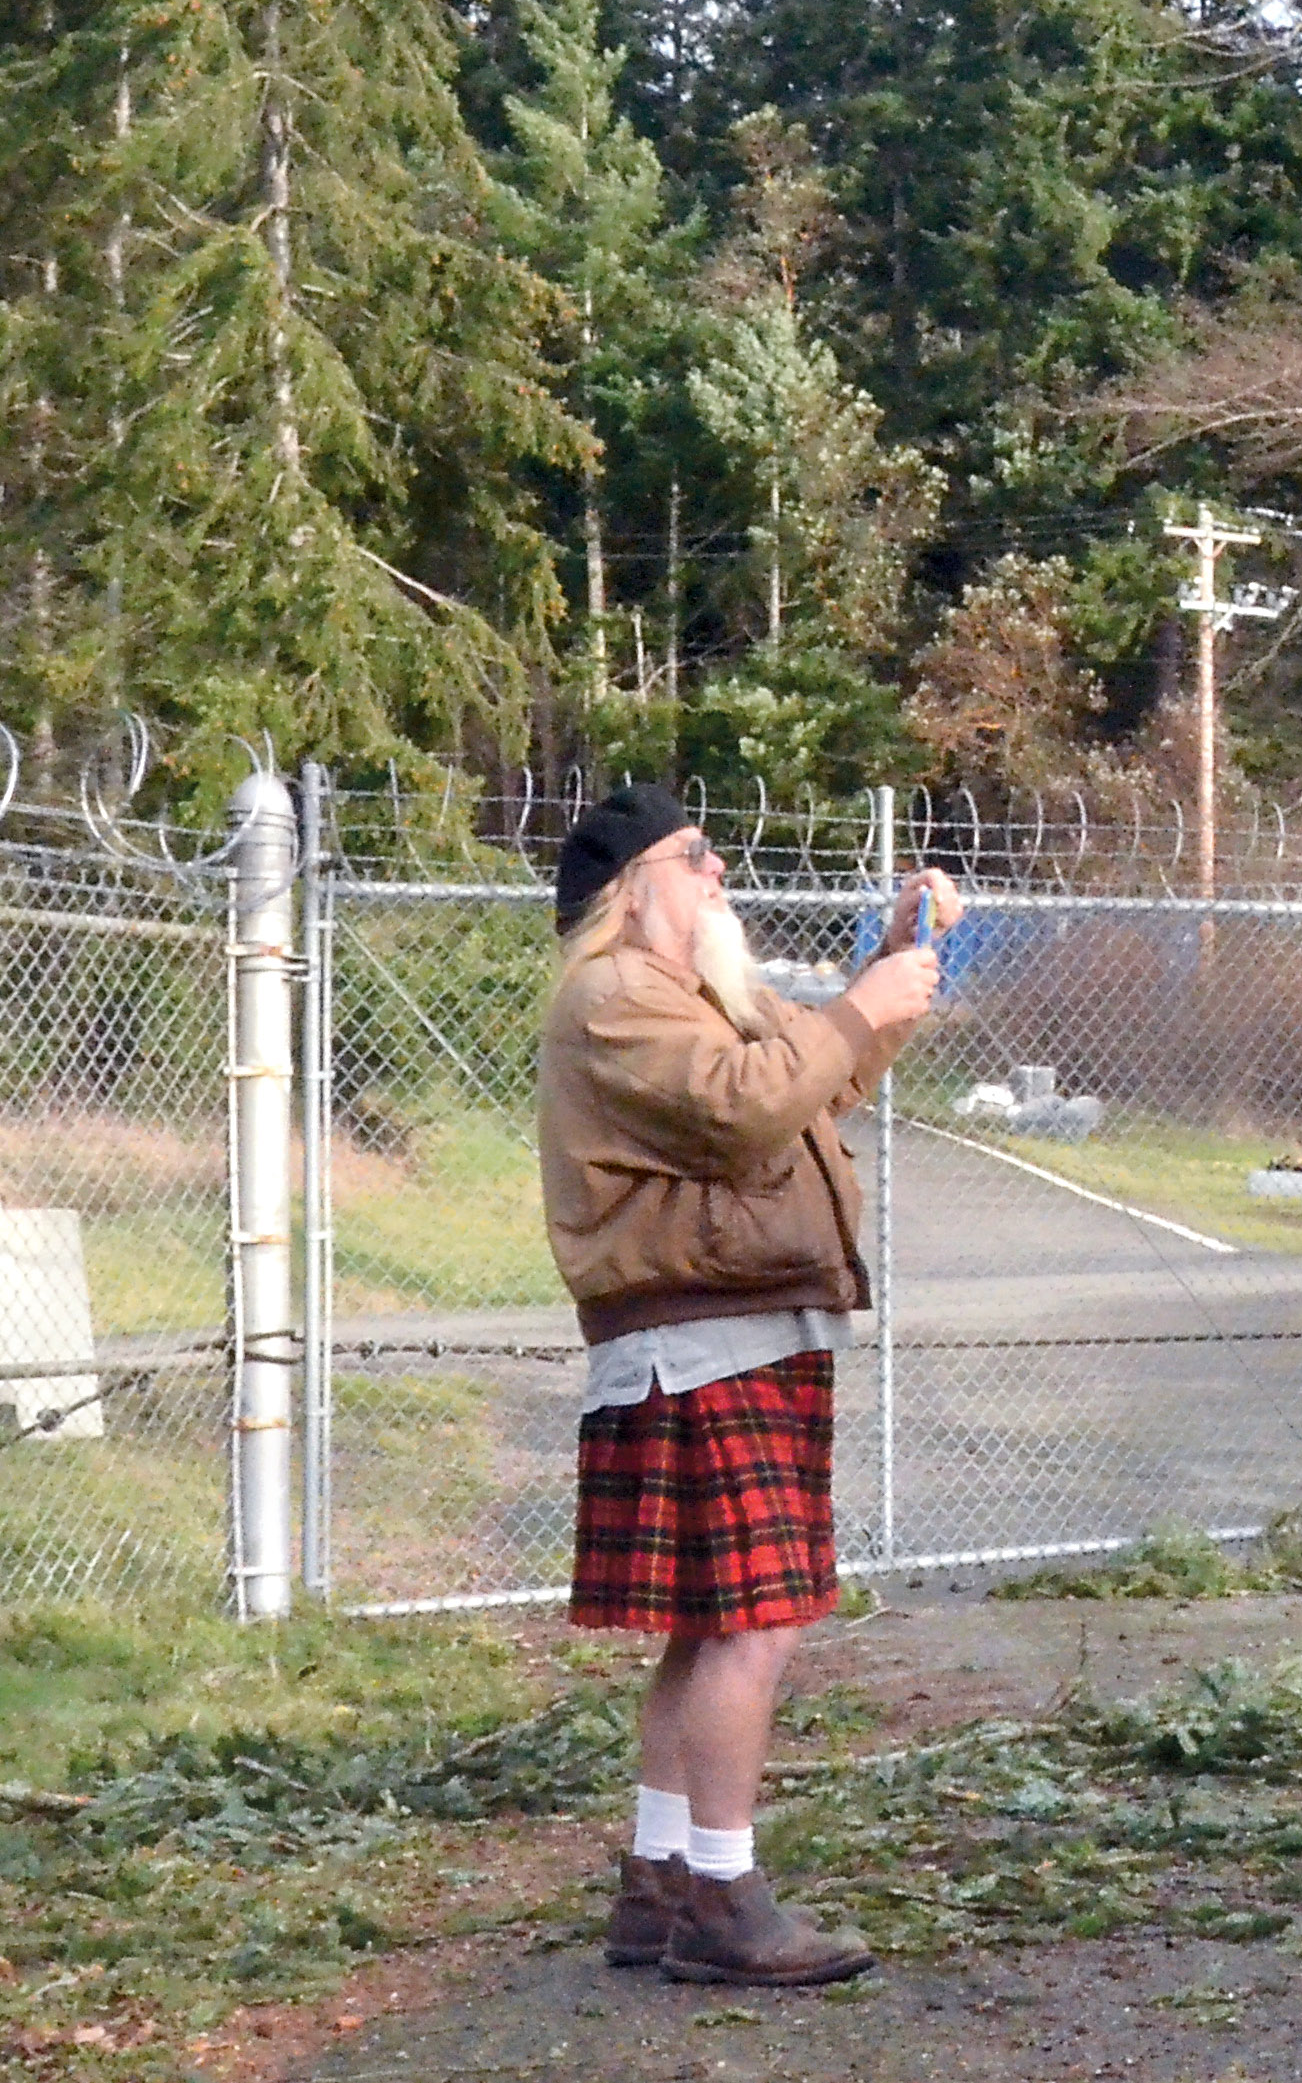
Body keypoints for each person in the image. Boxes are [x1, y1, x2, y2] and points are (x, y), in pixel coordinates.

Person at [535, 781, 959, 1988]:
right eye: (696, 855)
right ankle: (721, 1899)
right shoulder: (615, 992)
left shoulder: (687, 992)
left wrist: (884, 975)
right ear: (635, 887)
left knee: (708, 1624)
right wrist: (858, 1003)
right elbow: (747, 1107)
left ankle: (658, 1881)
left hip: (727, 1329)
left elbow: (810, 1083)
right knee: (755, 1626)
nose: (719, 873)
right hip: (700, 1337)